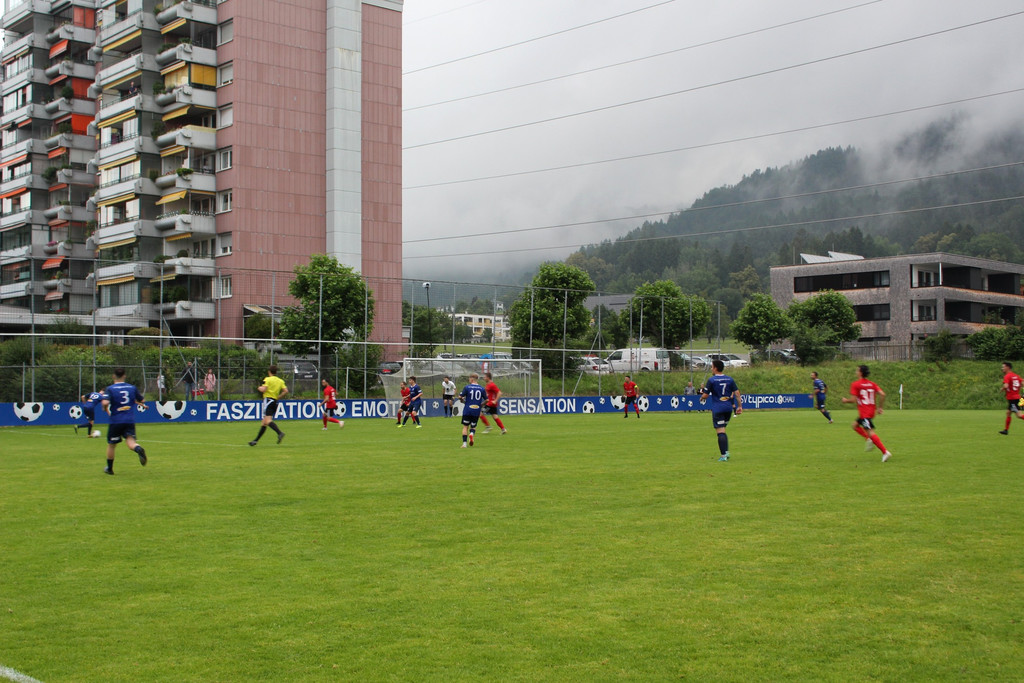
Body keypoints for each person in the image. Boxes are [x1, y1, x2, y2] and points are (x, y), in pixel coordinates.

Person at [841, 364, 892, 462]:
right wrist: (880, 407)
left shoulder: (856, 384)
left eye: (857, 370)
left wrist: (845, 400)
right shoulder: (872, 384)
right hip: (871, 411)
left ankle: (885, 452)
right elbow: (882, 394)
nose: (856, 372)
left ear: (860, 372)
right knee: (855, 425)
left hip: (865, 413)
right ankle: (868, 439)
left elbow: (853, 400)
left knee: (871, 432)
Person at [100, 368, 147, 475]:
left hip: (116, 420)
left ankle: (109, 469)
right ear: (124, 376)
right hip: (129, 420)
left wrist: (104, 407)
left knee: (112, 445)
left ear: (113, 376)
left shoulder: (110, 389)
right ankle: (138, 449)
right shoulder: (132, 388)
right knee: (131, 442)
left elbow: (105, 402)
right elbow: (142, 400)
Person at [700, 359, 742, 461]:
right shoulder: (730, 379)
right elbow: (737, 394)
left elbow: (705, 395)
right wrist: (739, 406)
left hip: (718, 408)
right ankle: (726, 452)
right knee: (723, 429)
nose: (711, 368)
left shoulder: (712, 380)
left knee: (720, 431)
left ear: (715, 368)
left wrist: (702, 397)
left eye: (712, 367)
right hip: (728, 408)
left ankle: (723, 456)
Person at [249, 365, 287, 446]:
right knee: (264, 423)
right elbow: (285, 391)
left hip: (268, 401)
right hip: (275, 402)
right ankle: (255, 441)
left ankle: (280, 433)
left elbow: (264, 389)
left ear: (269, 371)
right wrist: (278, 397)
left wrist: (259, 388)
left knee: (267, 420)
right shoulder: (280, 381)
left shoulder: (268, 379)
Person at [459, 372, 485, 448]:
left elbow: (460, 397)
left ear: (472, 379)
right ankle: (472, 434)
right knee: (473, 426)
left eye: (469, 378)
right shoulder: (481, 388)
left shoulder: (467, 387)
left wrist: (462, 400)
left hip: (467, 409)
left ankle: (464, 444)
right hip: (476, 410)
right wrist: (480, 405)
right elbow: (487, 400)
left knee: (465, 426)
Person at [998, 361, 1024, 434]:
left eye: (1003, 367)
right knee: (1008, 413)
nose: (1002, 368)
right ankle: (1005, 430)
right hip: (1015, 398)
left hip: (1013, 399)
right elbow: (1022, 383)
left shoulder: (1007, 376)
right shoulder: (1016, 375)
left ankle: (1006, 430)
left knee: (1019, 415)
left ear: (1008, 367)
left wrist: (1003, 388)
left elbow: (1006, 385)